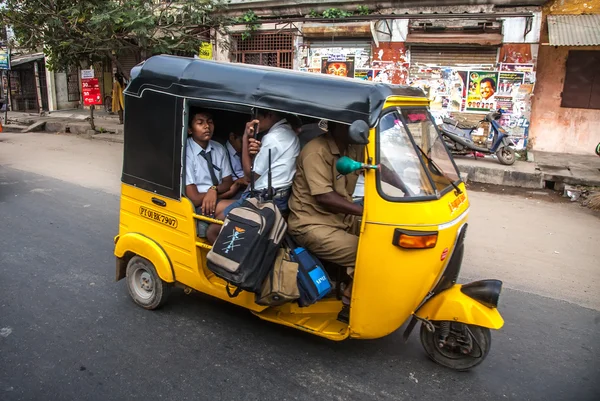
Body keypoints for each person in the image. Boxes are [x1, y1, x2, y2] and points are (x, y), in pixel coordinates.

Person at [287, 121, 364, 324]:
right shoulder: (316, 151)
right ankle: (349, 301)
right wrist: (362, 212)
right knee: (366, 253)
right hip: (311, 223)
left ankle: (353, 286)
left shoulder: (354, 147)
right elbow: (325, 197)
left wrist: (408, 187)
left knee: (384, 238)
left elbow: (378, 168)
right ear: (337, 125)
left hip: (341, 218)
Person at [206, 109, 300, 244]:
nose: (253, 122)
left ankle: (230, 263)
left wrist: (245, 138)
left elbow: (249, 176)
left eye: (256, 117)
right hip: (280, 197)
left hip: (261, 198)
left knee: (213, 230)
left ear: (269, 115)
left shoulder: (272, 138)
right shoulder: (289, 133)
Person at [185, 109, 242, 237]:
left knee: (250, 198)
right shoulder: (186, 152)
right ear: (189, 130)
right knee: (243, 206)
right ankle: (213, 235)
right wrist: (218, 193)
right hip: (202, 205)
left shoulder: (218, 148)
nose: (207, 126)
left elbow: (228, 182)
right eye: (200, 123)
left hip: (216, 196)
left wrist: (214, 190)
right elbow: (194, 198)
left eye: (209, 122)